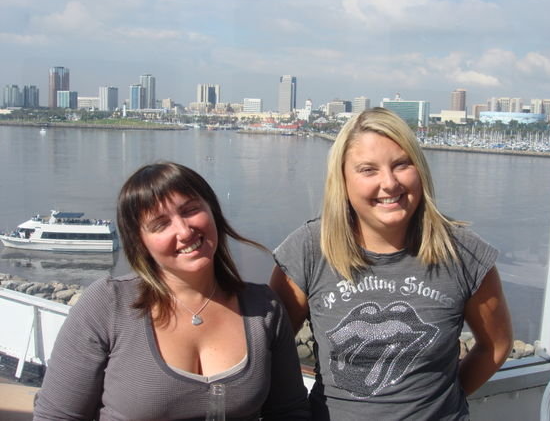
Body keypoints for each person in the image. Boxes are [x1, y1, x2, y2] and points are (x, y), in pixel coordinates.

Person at [270, 108, 513, 420]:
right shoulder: (308, 250)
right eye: (368, 170)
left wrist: (440, 403)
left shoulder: (465, 254)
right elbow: (272, 351)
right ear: (342, 180)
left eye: (401, 164)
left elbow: (497, 344)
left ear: (420, 169)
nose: (389, 183)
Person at [34, 162, 309, 420]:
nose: (184, 231)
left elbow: (290, 413)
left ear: (213, 211)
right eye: (160, 224)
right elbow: (56, 416)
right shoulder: (107, 306)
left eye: (190, 210)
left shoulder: (263, 308)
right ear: (140, 243)